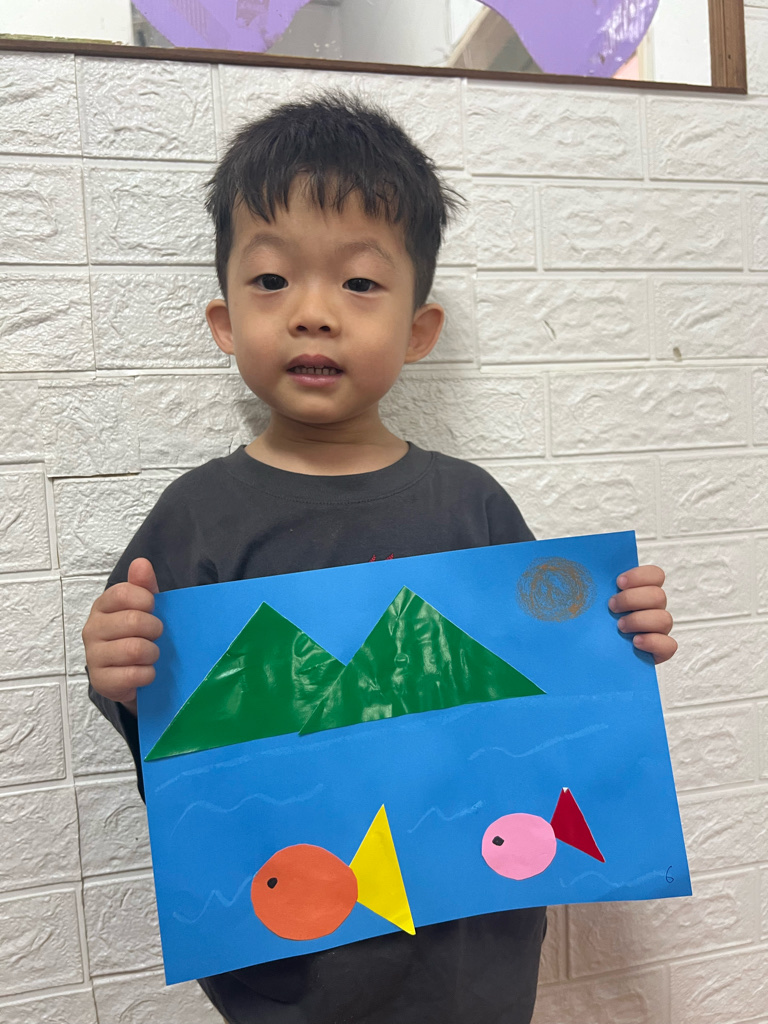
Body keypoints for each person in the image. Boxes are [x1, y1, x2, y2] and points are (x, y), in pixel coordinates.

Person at [82, 91, 677, 1024]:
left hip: (473, 952)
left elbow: (546, 692)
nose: (314, 313)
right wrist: (118, 669)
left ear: (418, 330)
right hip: (294, 960)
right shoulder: (198, 518)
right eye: (272, 280)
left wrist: (617, 633)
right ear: (225, 322)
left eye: (359, 283)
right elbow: (162, 723)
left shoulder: (471, 503)